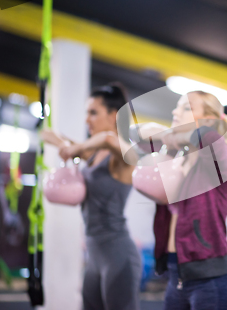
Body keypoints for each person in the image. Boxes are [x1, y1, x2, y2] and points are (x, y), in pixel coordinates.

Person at [136, 90, 227, 310]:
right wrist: (168, 135)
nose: (175, 111)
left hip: (211, 280)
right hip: (176, 277)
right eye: (177, 106)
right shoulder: (178, 162)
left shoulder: (223, 164)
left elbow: (207, 136)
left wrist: (170, 134)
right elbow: (136, 134)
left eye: (186, 107)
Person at [40, 83, 142, 310]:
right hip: (94, 256)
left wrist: (73, 148)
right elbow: (67, 143)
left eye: (93, 113)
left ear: (114, 115)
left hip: (119, 256)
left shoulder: (125, 154)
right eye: (86, 113)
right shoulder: (94, 153)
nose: (87, 120)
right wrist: (53, 137)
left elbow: (107, 139)